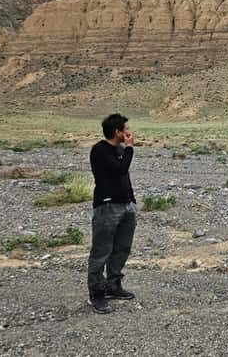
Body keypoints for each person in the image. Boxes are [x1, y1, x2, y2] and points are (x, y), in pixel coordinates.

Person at [87, 113, 137, 314]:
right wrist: (131, 148)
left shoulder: (118, 149)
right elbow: (120, 169)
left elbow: (123, 176)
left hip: (125, 205)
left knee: (122, 248)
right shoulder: (100, 150)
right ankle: (97, 293)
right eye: (125, 129)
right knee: (101, 251)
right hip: (107, 206)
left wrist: (131, 200)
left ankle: (113, 285)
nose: (128, 132)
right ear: (117, 131)